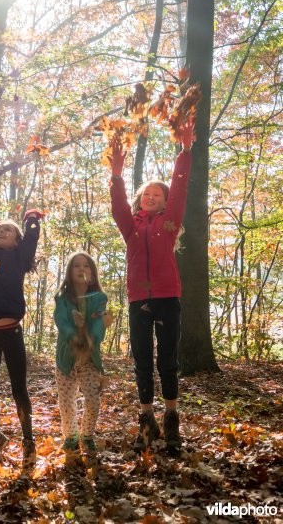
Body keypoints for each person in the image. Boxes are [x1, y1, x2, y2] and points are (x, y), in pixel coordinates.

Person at [108, 119, 194, 455]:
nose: (151, 197)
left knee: (167, 361)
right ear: (140, 200)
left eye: (157, 195)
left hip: (167, 297)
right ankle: (146, 419)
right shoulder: (130, 228)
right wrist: (116, 174)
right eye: (146, 194)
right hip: (138, 300)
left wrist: (185, 151)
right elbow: (117, 206)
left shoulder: (170, 224)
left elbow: (181, 187)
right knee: (142, 360)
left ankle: (171, 418)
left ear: (164, 202)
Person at [0, 209, 44, 470]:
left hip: (12, 333)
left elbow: (31, 241)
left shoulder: (18, 259)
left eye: (8, 230)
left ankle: (28, 440)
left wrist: (31, 221)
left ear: (17, 240)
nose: (2, 231)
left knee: (19, 390)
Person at [54, 252, 111, 454]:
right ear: (70, 272)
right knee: (67, 402)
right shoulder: (62, 298)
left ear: (93, 273)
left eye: (86, 266)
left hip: (89, 360)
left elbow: (99, 323)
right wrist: (73, 336)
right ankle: (71, 436)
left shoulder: (99, 298)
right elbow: (61, 321)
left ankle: (87, 436)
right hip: (66, 360)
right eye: (76, 266)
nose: (81, 269)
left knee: (93, 400)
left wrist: (91, 338)